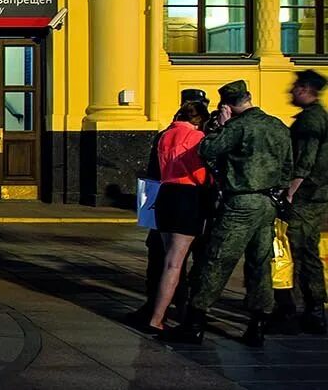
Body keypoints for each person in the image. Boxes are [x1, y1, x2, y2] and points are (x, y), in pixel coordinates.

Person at [165, 80, 293, 346]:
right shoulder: (277, 125)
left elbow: (206, 150)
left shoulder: (237, 126)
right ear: (248, 97)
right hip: (268, 203)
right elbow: (288, 166)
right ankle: (257, 325)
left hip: (240, 203)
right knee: (260, 265)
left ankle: (195, 323)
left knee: (217, 260)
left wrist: (221, 127)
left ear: (227, 105)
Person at [129, 88, 211, 325]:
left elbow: (156, 168)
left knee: (167, 261)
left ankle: (158, 311)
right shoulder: (198, 138)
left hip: (165, 195)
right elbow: (202, 175)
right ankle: (161, 317)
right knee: (176, 263)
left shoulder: (165, 135)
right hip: (188, 198)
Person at [286, 69, 328, 335]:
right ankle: (309, 307)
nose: (291, 91)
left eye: (295, 87)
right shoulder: (315, 117)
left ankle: (313, 310)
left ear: (306, 89)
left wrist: (290, 192)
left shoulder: (311, 121)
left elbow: (305, 161)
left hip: (307, 195)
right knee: (304, 248)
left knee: (304, 250)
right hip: (314, 193)